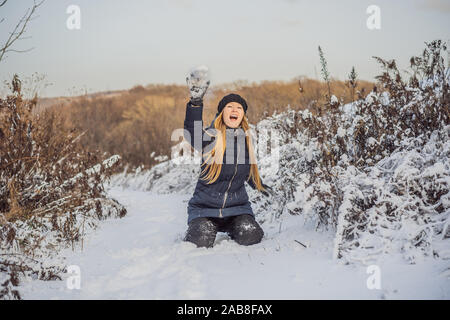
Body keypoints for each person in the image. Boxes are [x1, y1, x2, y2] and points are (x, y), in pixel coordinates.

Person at [183, 68, 273, 248]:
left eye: (239, 108)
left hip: (237, 209)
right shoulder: (210, 136)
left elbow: (247, 171)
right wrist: (195, 103)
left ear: (242, 115)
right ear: (222, 113)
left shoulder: (246, 141)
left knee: (252, 235)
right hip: (204, 209)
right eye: (229, 107)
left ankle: (233, 229)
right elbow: (192, 132)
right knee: (200, 240)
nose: (234, 110)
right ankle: (202, 228)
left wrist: (261, 186)